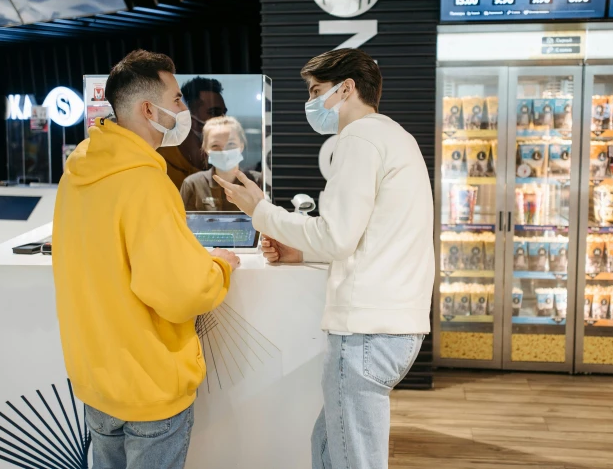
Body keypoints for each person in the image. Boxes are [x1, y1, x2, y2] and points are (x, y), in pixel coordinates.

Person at [214, 48, 434, 469]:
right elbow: (364, 233)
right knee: (331, 448)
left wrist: (261, 210)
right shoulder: (393, 137)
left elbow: (336, 235)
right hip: (388, 328)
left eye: (317, 91)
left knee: (350, 458)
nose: (311, 103)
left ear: (346, 88)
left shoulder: (358, 138)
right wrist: (299, 248)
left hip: (365, 333)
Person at [52, 49, 240, 469]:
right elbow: (180, 293)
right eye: (176, 100)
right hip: (148, 383)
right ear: (147, 109)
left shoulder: (77, 173)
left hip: (96, 378)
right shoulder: (144, 182)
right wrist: (221, 268)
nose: (183, 110)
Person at [180, 115, 262, 211]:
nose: (224, 151)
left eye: (231, 144)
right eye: (215, 145)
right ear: (206, 149)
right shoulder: (193, 184)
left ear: (241, 146)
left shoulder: (258, 181)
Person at [159, 77, 227, 190]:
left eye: (224, 113)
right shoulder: (162, 162)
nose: (223, 120)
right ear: (188, 115)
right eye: (214, 112)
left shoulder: (221, 161)